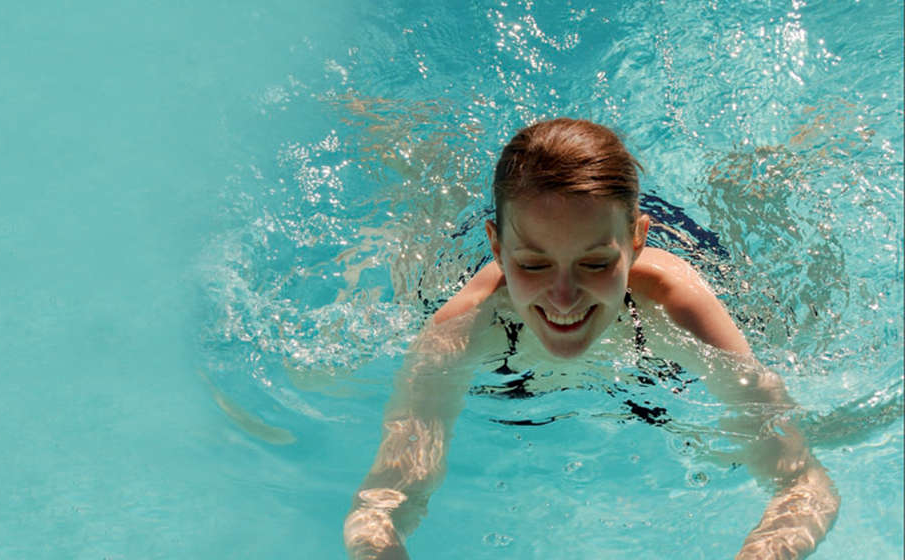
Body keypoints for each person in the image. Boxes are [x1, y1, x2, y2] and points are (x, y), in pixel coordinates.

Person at [342, 118, 840, 559]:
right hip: (529, 234)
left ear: (637, 240)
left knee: (781, 313)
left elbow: (805, 483)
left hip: (680, 242)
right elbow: (384, 503)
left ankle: (745, 175)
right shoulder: (460, 329)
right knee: (417, 275)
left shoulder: (681, 306)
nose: (563, 298)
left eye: (595, 264)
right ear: (497, 248)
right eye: (533, 264)